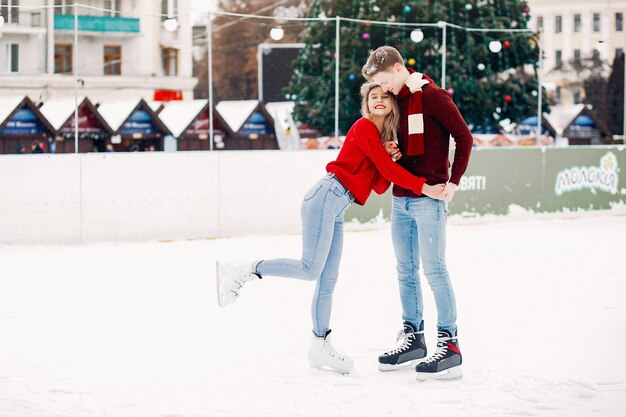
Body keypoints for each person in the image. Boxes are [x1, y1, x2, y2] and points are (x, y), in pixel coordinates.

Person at [217, 82, 446, 374]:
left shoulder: (380, 138)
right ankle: (246, 268)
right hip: (326, 195)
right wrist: (423, 187)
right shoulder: (364, 128)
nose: (378, 100)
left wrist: (387, 155)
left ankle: (319, 344)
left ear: (391, 104)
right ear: (366, 103)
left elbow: (378, 185)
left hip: (339, 205)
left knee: (328, 279)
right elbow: (388, 174)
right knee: (310, 268)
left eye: (384, 96)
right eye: (372, 96)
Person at [362, 46, 473, 380]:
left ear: (398, 68)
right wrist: (393, 148)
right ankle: (413, 338)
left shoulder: (433, 96)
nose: (385, 89)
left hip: (429, 199)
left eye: (385, 80)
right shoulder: (400, 99)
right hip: (402, 199)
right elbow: (405, 141)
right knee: (405, 270)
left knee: (435, 270)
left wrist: (453, 182)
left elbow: (464, 138)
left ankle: (450, 344)